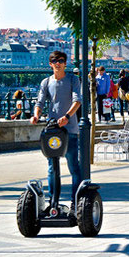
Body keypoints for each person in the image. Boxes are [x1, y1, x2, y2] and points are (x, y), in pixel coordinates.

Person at [30, 51, 82, 212]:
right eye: (54, 61)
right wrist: (36, 115)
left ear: (65, 63)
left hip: (70, 129)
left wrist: (67, 116)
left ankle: (76, 201)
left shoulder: (73, 79)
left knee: (73, 166)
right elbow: (39, 101)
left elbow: (77, 100)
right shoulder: (46, 82)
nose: (58, 63)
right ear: (50, 64)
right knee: (52, 167)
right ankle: (53, 202)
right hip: (52, 130)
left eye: (60, 60)